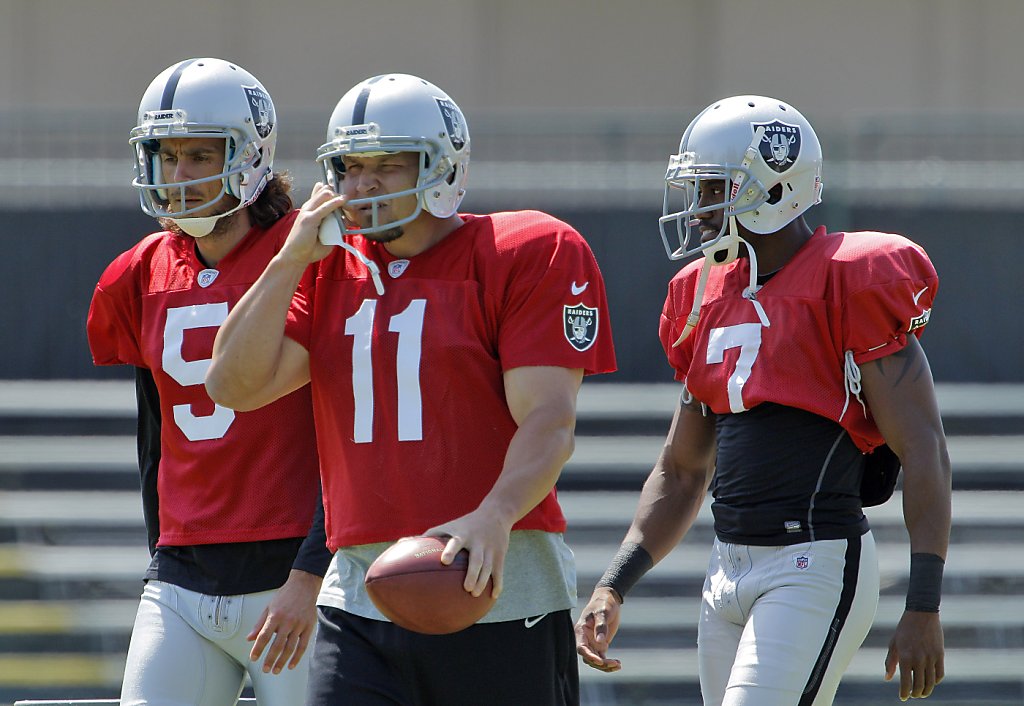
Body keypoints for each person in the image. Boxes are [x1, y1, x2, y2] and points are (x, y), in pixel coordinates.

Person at [205, 73, 617, 706]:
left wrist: (495, 513)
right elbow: (234, 386)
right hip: (359, 595)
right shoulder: (328, 268)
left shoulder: (529, 249)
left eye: (388, 166)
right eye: (350, 166)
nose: (362, 184)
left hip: (498, 587)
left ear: (444, 167)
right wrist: (286, 261)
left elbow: (549, 421)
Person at [574, 95, 951, 705]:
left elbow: (924, 447)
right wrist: (614, 584)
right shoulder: (703, 295)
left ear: (773, 187)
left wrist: (924, 604)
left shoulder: (847, 277)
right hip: (726, 570)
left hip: (814, 561)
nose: (698, 210)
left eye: (713, 188)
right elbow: (682, 468)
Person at [86, 57, 332, 705]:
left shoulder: (315, 253)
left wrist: (314, 571)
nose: (182, 175)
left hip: (292, 567)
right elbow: (155, 433)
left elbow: (353, 435)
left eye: (201, 154)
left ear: (251, 156)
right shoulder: (136, 272)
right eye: (168, 155)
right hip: (182, 571)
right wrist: (160, 554)